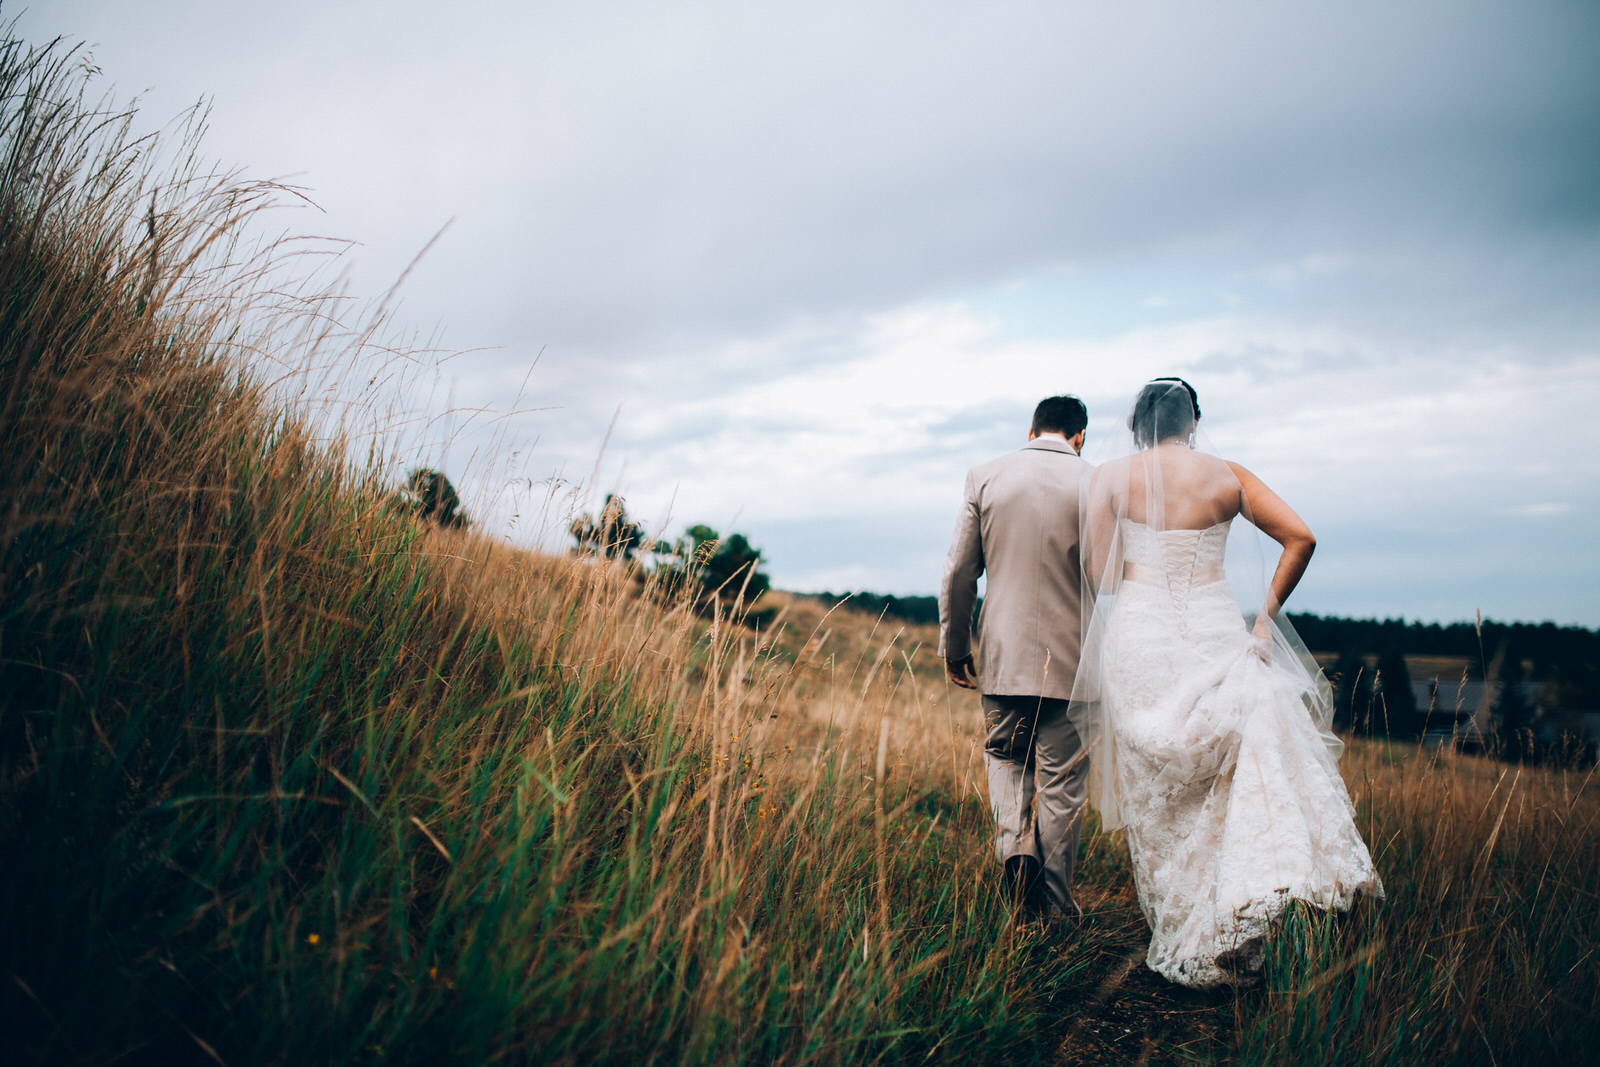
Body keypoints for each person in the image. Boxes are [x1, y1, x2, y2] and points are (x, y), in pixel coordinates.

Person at [1074, 378, 1382, 987]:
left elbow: (1101, 579)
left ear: (1138, 426)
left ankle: (1181, 924)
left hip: (1142, 635)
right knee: (1227, 772)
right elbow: (1302, 537)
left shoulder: (1109, 476)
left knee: (1158, 785)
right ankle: (1236, 921)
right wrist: (1264, 619)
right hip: (1216, 630)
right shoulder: (1229, 475)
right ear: (1193, 422)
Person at [939, 395, 1095, 924]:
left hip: (1004, 659)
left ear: (1031, 432)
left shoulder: (985, 477)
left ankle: (1014, 848)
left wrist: (956, 645)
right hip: (1074, 666)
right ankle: (1052, 914)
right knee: (1061, 785)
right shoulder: (1098, 484)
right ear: (1080, 437)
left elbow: (960, 571)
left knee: (1005, 757)